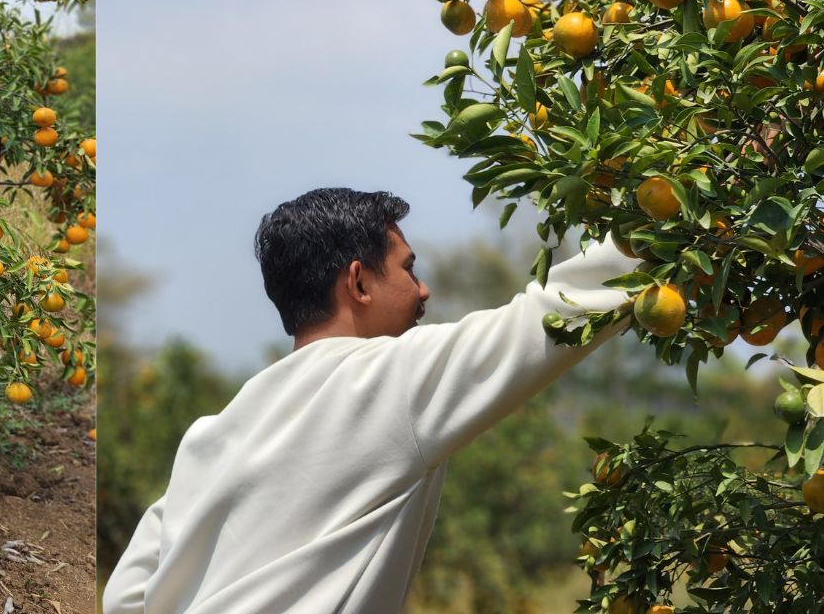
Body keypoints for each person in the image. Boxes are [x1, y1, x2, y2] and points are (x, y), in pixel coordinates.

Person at [102, 187, 642, 614]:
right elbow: (548, 320)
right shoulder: (387, 381)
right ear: (358, 282)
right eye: (409, 268)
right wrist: (665, 223)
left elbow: (124, 598)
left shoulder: (211, 433)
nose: (423, 290)